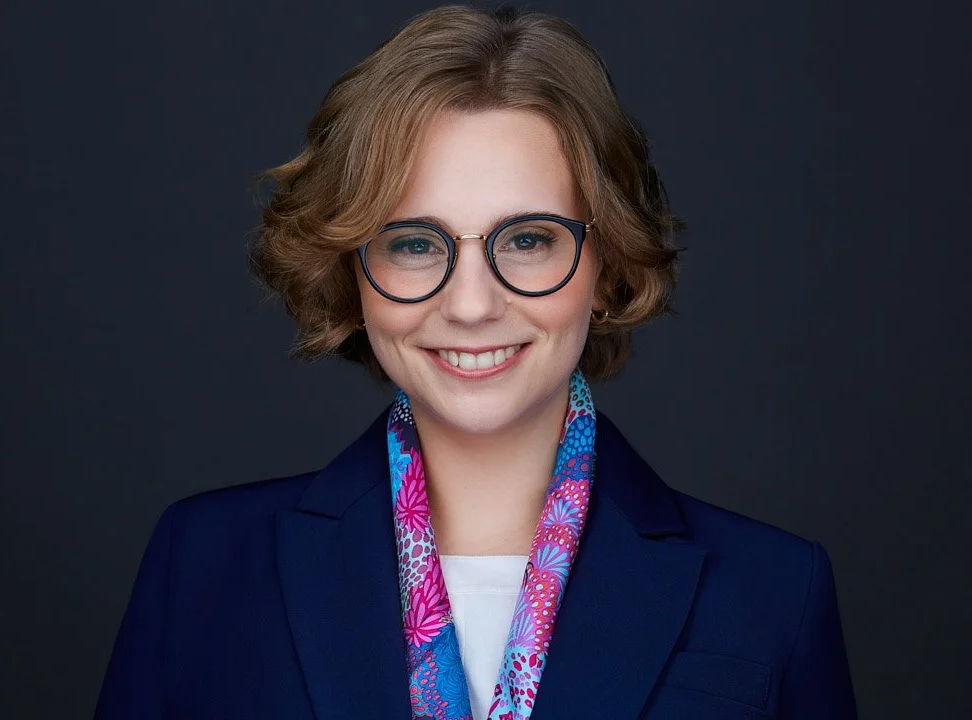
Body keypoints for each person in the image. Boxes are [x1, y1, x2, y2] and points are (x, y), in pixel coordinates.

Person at [94, 4, 857, 718]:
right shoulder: (203, 566)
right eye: (415, 243)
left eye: (527, 239)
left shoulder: (772, 589)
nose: (469, 304)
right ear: (352, 276)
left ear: (609, 265)